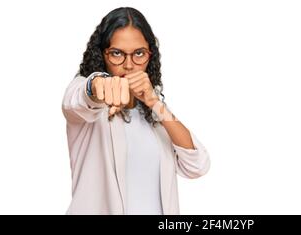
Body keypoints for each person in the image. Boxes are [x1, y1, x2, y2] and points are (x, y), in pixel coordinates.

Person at [62, 7, 210, 215]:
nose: (129, 65)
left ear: (150, 55)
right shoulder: (86, 102)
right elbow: (76, 100)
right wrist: (96, 86)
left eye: (139, 53)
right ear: (102, 54)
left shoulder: (152, 115)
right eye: (117, 54)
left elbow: (197, 165)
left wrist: (154, 102)